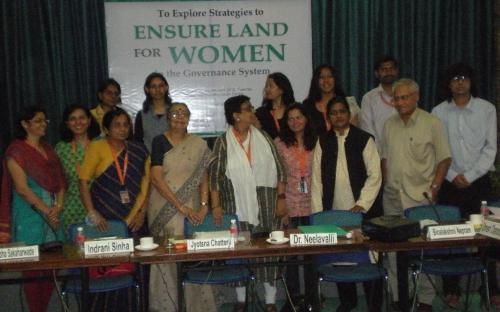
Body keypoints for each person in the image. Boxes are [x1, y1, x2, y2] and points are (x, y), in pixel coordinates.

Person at [210, 95, 286, 312]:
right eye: (247, 108)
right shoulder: (223, 142)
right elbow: (214, 178)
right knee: (240, 253)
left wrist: (281, 200)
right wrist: (216, 206)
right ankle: (241, 301)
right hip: (235, 207)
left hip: (267, 205)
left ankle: (270, 301)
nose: (252, 110)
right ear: (236, 115)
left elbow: (280, 170)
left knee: (267, 252)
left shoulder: (263, 137)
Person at [382, 78, 451, 312]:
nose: (399, 102)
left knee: (423, 249)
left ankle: (425, 299)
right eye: (396, 98)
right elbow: (383, 157)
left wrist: (436, 186)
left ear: (416, 97)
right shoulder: (388, 124)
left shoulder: (432, 123)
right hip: (392, 197)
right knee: (393, 250)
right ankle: (399, 295)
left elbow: (444, 158)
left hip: (420, 197)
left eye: (404, 97)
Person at [432, 63, 498, 307]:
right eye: (454, 79)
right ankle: (452, 290)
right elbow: (437, 149)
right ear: (448, 84)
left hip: (479, 182)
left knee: (487, 235)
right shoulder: (438, 112)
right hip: (449, 183)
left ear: (471, 81)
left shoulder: (486, 109)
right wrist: (452, 175)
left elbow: (490, 148)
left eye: (464, 78)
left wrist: (469, 175)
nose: (459, 82)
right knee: (453, 236)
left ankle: (490, 287)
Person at [310, 97, 382, 312]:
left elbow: (375, 175)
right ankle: (348, 301)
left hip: (362, 210)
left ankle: (374, 304)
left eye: (342, 111)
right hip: (335, 212)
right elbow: (316, 181)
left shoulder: (364, 139)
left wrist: (362, 203)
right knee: (342, 258)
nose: (338, 116)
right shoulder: (323, 141)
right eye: (334, 112)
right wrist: (318, 216)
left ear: (349, 115)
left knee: (370, 256)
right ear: (328, 117)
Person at [147, 103, 217, 312]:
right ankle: (167, 306)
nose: (179, 117)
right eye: (175, 113)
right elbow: (156, 178)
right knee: (167, 257)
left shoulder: (198, 144)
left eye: (184, 113)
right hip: (164, 208)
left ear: (189, 118)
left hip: (193, 209)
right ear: (168, 117)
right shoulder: (159, 142)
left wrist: (204, 206)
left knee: (192, 257)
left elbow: (204, 175)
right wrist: (180, 206)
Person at [79, 108, 149, 310]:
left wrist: (142, 213)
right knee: (106, 268)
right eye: (117, 125)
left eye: (126, 124)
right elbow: (83, 182)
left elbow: (147, 184)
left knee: (136, 269)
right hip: (105, 220)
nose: (122, 129)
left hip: (135, 220)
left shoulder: (139, 150)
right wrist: (92, 212)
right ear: (106, 128)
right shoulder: (97, 147)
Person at [0, 106, 66, 312]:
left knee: (52, 268)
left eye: (45, 120)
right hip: (30, 215)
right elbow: (22, 188)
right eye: (38, 121)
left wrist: (58, 206)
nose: (43, 124)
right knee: (32, 271)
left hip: (53, 215)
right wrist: (47, 211)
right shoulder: (16, 151)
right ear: (25, 124)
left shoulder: (48, 149)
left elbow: (61, 181)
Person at [274, 103, 317, 305]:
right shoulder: (279, 143)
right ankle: (292, 299)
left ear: (306, 118)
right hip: (289, 202)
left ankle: (311, 296)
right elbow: (276, 175)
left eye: (298, 117)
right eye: (290, 118)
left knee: (311, 253)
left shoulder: (317, 141)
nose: (295, 122)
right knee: (291, 254)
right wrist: (280, 202)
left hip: (313, 203)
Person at [55, 104, 100, 232]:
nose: (78, 122)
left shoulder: (101, 145)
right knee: (73, 249)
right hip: (70, 207)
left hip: (99, 206)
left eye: (82, 118)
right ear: (67, 123)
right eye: (73, 119)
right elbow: (57, 181)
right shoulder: (61, 148)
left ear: (89, 120)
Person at [303, 65, 360, 135]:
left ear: (335, 79)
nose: (326, 80)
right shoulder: (308, 105)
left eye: (330, 77)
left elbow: (354, 132)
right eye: (321, 77)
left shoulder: (349, 102)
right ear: (316, 81)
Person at [359, 55, 399, 150]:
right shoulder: (369, 98)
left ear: (397, 71)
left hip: (405, 153)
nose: (388, 72)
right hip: (379, 154)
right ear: (377, 73)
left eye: (391, 68)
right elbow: (367, 130)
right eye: (384, 69)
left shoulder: (407, 96)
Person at [133, 72, 172, 152]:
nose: (157, 90)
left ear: (166, 88)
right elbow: (138, 142)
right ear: (147, 89)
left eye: (161, 86)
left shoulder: (174, 112)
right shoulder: (142, 115)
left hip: (173, 160)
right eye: (153, 86)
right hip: (149, 161)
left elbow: (182, 137)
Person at [255, 72, 296, 139]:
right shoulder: (261, 113)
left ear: (282, 89)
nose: (267, 89)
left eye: (271, 86)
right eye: (266, 86)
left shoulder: (293, 110)